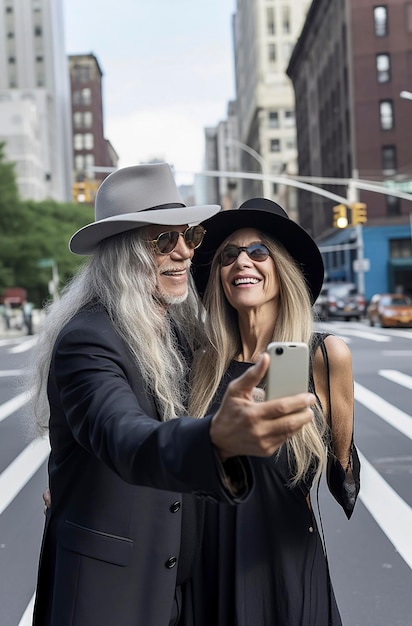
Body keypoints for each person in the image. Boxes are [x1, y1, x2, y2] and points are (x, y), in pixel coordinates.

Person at [30, 165, 316, 626]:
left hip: (189, 588)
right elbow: (125, 435)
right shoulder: (89, 339)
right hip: (110, 598)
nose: (185, 252)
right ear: (123, 253)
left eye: (190, 235)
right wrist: (215, 442)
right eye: (165, 241)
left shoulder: (182, 335)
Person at [189, 197, 361, 626]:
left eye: (258, 251)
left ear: (281, 268)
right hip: (208, 568)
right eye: (229, 254)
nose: (241, 261)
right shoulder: (199, 362)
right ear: (219, 276)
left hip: (284, 573)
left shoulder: (319, 356)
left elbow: (342, 478)